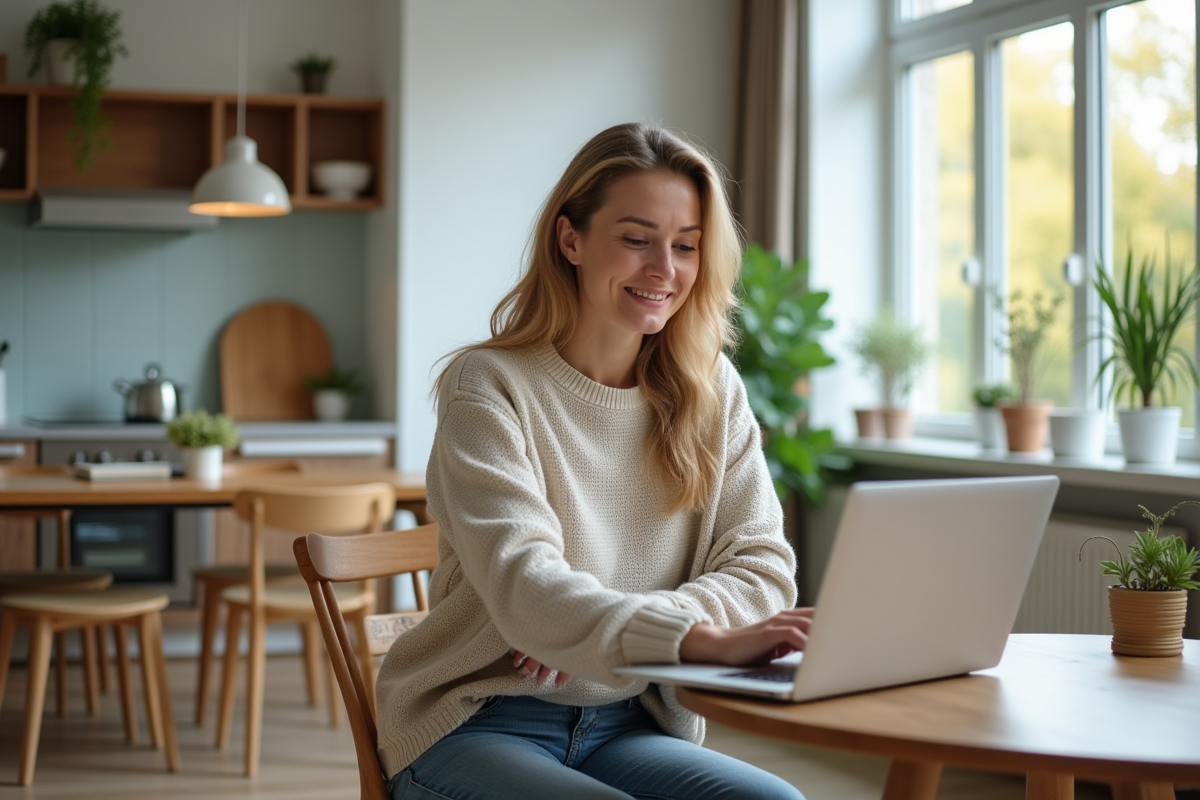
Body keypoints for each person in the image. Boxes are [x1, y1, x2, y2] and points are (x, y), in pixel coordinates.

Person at [375, 122, 813, 800]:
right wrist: (694, 640)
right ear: (571, 238)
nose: (664, 269)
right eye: (637, 239)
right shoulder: (488, 386)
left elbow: (762, 567)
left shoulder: (712, 389)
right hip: (480, 722)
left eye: (686, 246)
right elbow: (527, 587)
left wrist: (607, 635)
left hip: (633, 723)